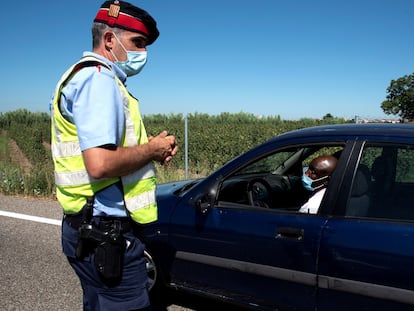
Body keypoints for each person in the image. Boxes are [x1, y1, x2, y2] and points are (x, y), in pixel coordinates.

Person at [50, 1, 178, 310]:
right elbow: (101, 164)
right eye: (138, 43)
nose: (143, 54)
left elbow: (105, 150)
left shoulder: (89, 78)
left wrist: (148, 148)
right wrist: (151, 150)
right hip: (103, 234)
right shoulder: (99, 80)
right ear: (110, 39)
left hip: (87, 227)